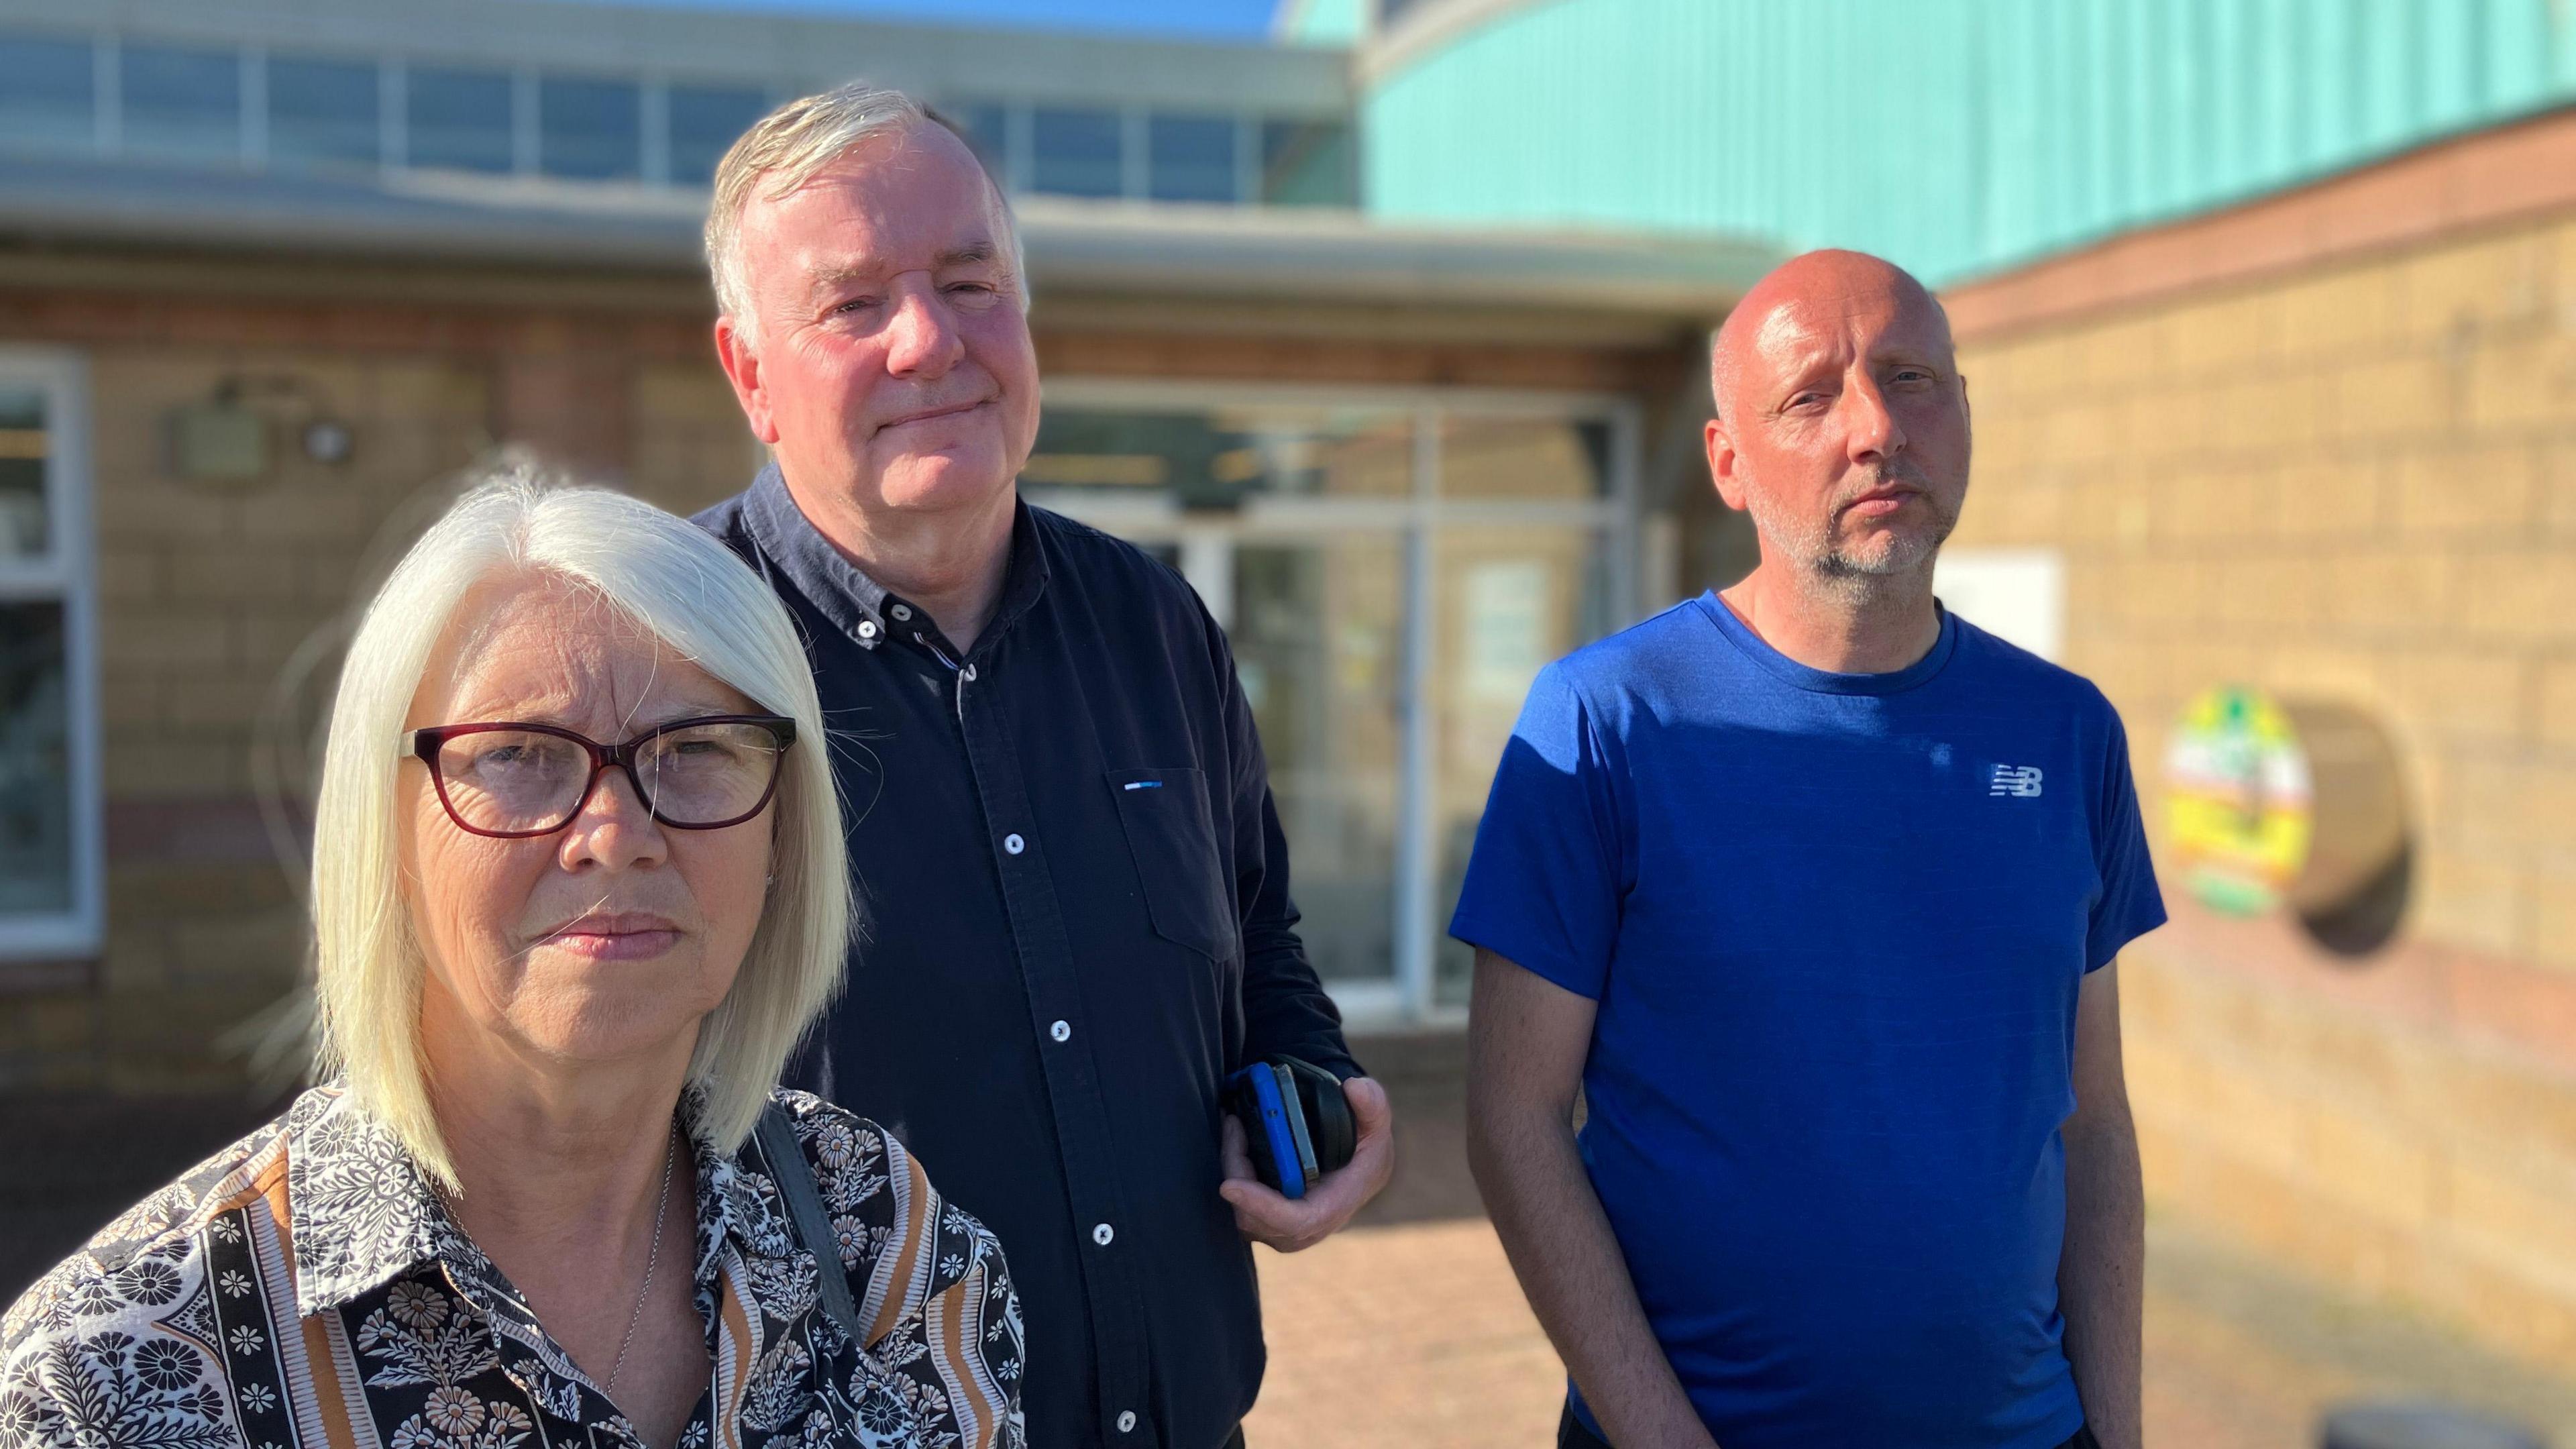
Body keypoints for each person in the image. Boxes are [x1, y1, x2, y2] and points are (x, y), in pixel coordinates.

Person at [0, 470, 1024, 1449]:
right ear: (386, 831)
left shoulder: (879, 1238)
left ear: (782, 838)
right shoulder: (111, 1373)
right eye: (519, 755)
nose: (614, 832)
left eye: (699, 749)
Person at [690, 83, 1393, 1449]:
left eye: (971, 281)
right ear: (749, 373)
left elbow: (1255, 932)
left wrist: (1310, 1092)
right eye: (853, 305)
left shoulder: (1154, 622)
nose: (932, 340)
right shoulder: (660, 658)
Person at [1455, 250, 2162, 1449]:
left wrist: (2119, 1434)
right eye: (1813, 396)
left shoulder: (2067, 730)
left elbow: (2092, 1120)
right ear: (1728, 464)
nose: (1878, 426)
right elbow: (1513, 1118)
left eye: (1911, 377)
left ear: (1965, 411)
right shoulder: (1608, 722)